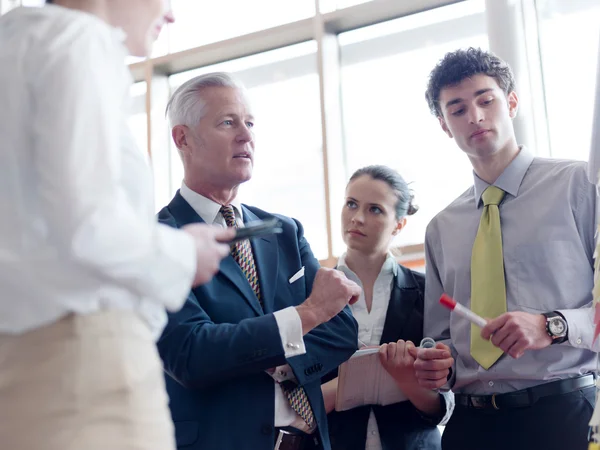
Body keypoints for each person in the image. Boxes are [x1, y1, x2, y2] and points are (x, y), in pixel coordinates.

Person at [0, 1, 235, 449]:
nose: (171, 15)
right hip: (86, 358)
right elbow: (87, 223)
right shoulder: (79, 40)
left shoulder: (11, 39)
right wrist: (184, 253)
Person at [156, 71, 361, 450]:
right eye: (228, 122)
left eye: (249, 123)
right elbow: (193, 354)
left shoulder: (283, 231)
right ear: (182, 138)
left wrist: (273, 358)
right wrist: (307, 315)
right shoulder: (158, 241)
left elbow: (343, 331)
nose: (246, 135)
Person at [414, 47, 597, 450]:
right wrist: (436, 364)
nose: (475, 116)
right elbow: (440, 338)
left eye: (485, 100)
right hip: (471, 427)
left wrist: (553, 325)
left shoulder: (581, 187)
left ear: (511, 102)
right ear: (445, 125)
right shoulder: (441, 228)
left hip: (566, 415)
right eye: (457, 109)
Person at [320, 165, 453, 450]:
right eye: (351, 204)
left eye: (375, 209)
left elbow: (442, 405)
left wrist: (407, 379)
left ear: (399, 224)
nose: (357, 218)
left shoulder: (428, 291)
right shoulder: (311, 291)